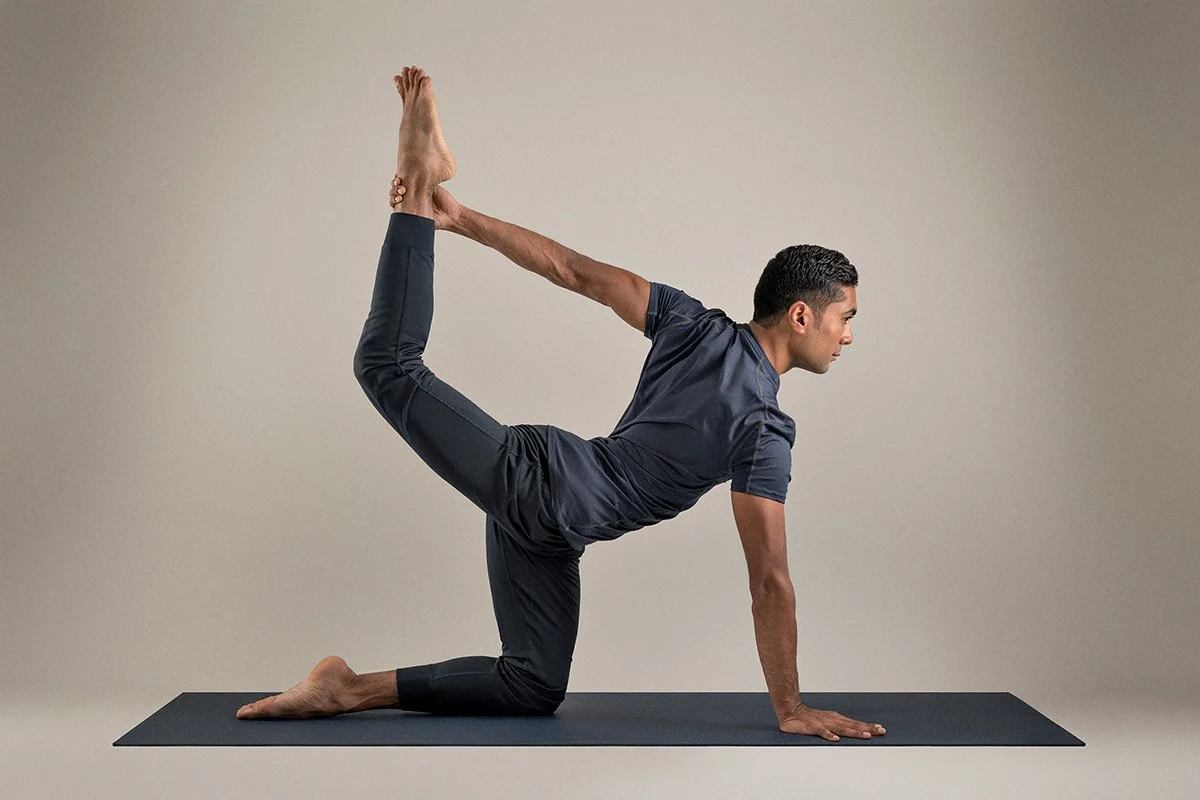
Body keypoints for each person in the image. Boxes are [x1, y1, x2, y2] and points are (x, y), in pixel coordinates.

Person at [235, 66, 884, 743]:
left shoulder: (692, 322)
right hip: (540, 481)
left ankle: (345, 688)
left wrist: (466, 219)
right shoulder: (764, 429)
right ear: (802, 315)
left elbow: (573, 270)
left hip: (552, 525)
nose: (849, 335)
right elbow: (771, 580)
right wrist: (791, 707)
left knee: (532, 684)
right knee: (386, 366)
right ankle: (415, 186)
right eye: (846, 317)